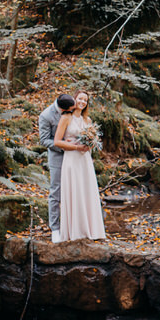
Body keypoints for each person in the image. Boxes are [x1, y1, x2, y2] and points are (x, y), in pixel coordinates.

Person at [52, 90, 105, 242]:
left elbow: (94, 141)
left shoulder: (87, 121)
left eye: (85, 100)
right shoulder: (66, 118)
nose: (82, 102)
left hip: (85, 160)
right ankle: (75, 231)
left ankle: (90, 230)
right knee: (74, 191)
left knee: (87, 191)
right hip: (72, 159)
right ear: (74, 100)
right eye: (80, 98)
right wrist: (76, 147)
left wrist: (90, 145)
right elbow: (57, 141)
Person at [38, 93, 74, 237]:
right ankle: (55, 229)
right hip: (57, 157)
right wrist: (64, 146)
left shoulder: (73, 109)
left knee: (74, 191)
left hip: (75, 158)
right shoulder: (46, 116)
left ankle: (72, 225)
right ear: (62, 108)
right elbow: (44, 140)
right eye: (70, 109)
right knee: (56, 192)